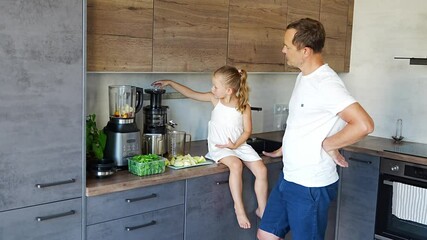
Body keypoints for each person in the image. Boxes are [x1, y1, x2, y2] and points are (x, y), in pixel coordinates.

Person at [257, 18, 374, 240]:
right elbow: (305, 123)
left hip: (310, 185)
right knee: (267, 235)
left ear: (306, 51)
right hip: (290, 176)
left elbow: (364, 124)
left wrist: (329, 144)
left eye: (288, 46)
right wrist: (286, 147)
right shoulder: (304, 77)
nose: (283, 50)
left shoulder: (326, 84)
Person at [153, 65, 268, 229]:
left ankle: (262, 209)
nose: (212, 89)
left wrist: (235, 144)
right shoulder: (215, 100)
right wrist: (171, 82)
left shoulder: (244, 106)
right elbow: (191, 93)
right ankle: (239, 208)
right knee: (235, 165)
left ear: (228, 90)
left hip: (238, 145)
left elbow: (248, 131)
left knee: (262, 169)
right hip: (220, 146)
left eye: (215, 86)